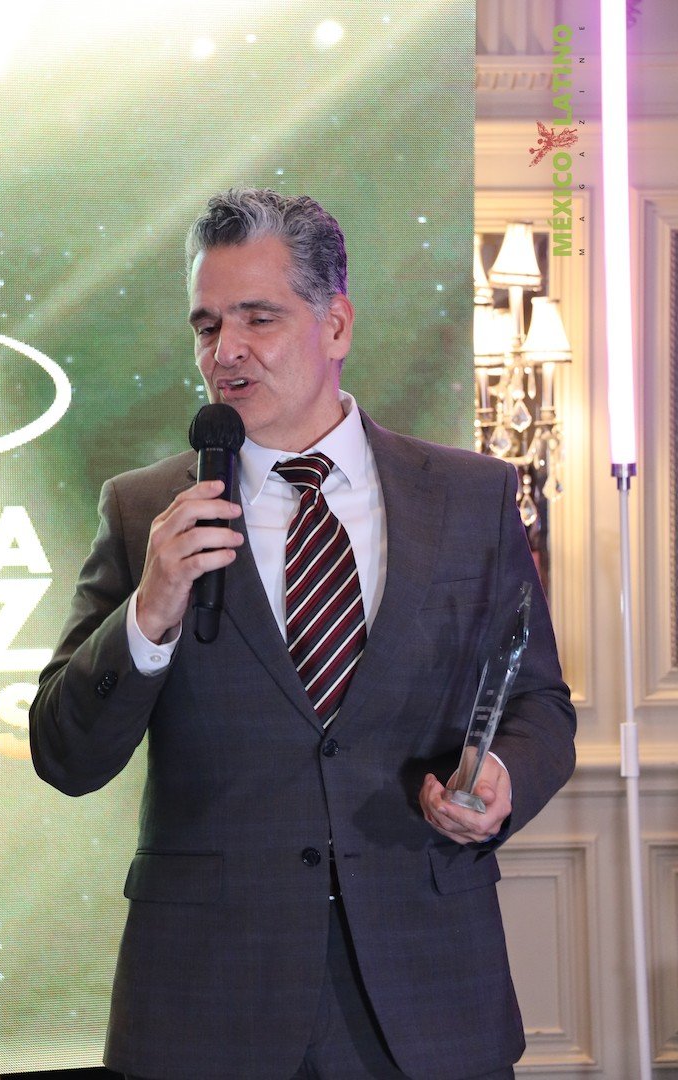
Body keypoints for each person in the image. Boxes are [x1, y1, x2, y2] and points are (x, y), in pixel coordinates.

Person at [29, 188, 576, 1080]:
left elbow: (539, 703)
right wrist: (149, 613)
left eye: (258, 318)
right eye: (207, 326)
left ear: (336, 325)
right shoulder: (143, 512)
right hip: (207, 1007)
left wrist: (501, 776)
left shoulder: (471, 496)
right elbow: (64, 755)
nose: (226, 351)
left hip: (428, 995)